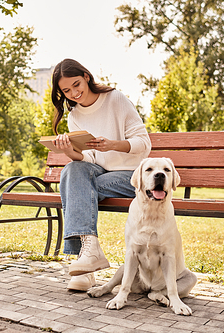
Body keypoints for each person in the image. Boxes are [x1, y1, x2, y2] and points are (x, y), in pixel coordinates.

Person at [50, 58, 151, 291]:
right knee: (72, 169)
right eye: (66, 90)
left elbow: (144, 144)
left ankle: (85, 263)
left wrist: (113, 145)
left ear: (86, 76)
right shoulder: (74, 115)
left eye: (76, 85)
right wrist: (70, 151)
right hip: (101, 174)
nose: (73, 93)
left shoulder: (115, 99)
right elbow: (89, 159)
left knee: (75, 186)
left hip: (132, 176)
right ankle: (89, 255)